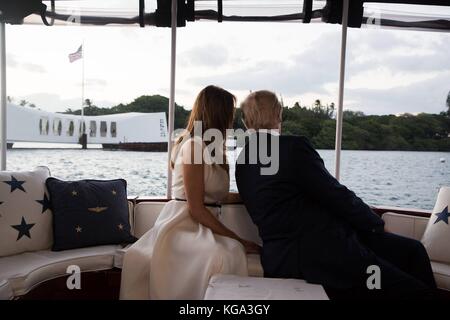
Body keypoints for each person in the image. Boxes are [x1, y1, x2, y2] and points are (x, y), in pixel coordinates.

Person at [235, 90, 437, 299]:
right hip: (325, 256)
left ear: (245, 120)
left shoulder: (242, 161)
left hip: (279, 259)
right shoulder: (292, 148)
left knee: (412, 251)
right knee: (417, 290)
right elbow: (334, 194)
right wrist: (374, 222)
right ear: (278, 114)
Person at [120, 85, 259, 300]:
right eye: (230, 113)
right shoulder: (193, 146)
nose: (232, 119)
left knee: (230, 251)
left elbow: (216, 196)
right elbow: (195, 208)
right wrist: (239, 239)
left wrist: (253, 195)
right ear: (218, 114)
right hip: (183, 224)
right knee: (223, 254)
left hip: (203, 225)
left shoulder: (215, 150)